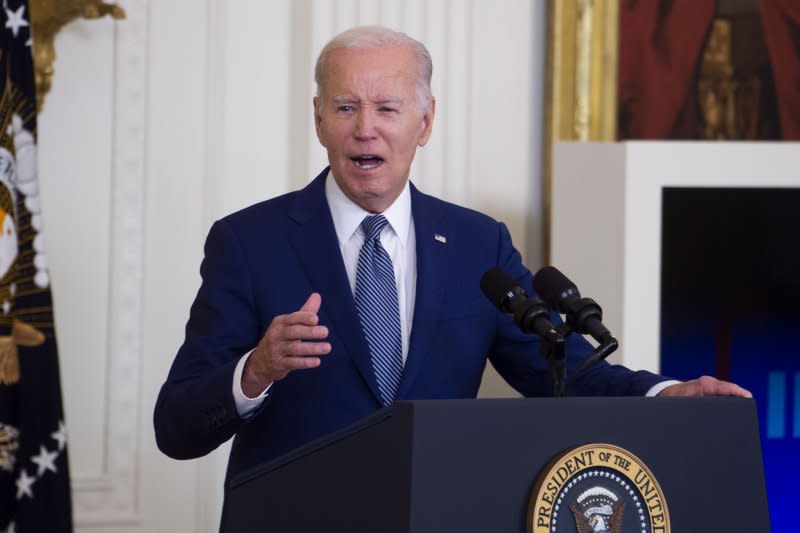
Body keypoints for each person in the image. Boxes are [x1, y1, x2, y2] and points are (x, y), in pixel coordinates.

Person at [153, 25, 750, 485]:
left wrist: (665, 395)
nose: (366, 129)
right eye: (345, 108)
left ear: (425, 121)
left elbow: (561, 372)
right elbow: (176, 426)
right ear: (318, 120)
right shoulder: (249, 241)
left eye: (387, 108)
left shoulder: (475, 244)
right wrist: (254, 371)